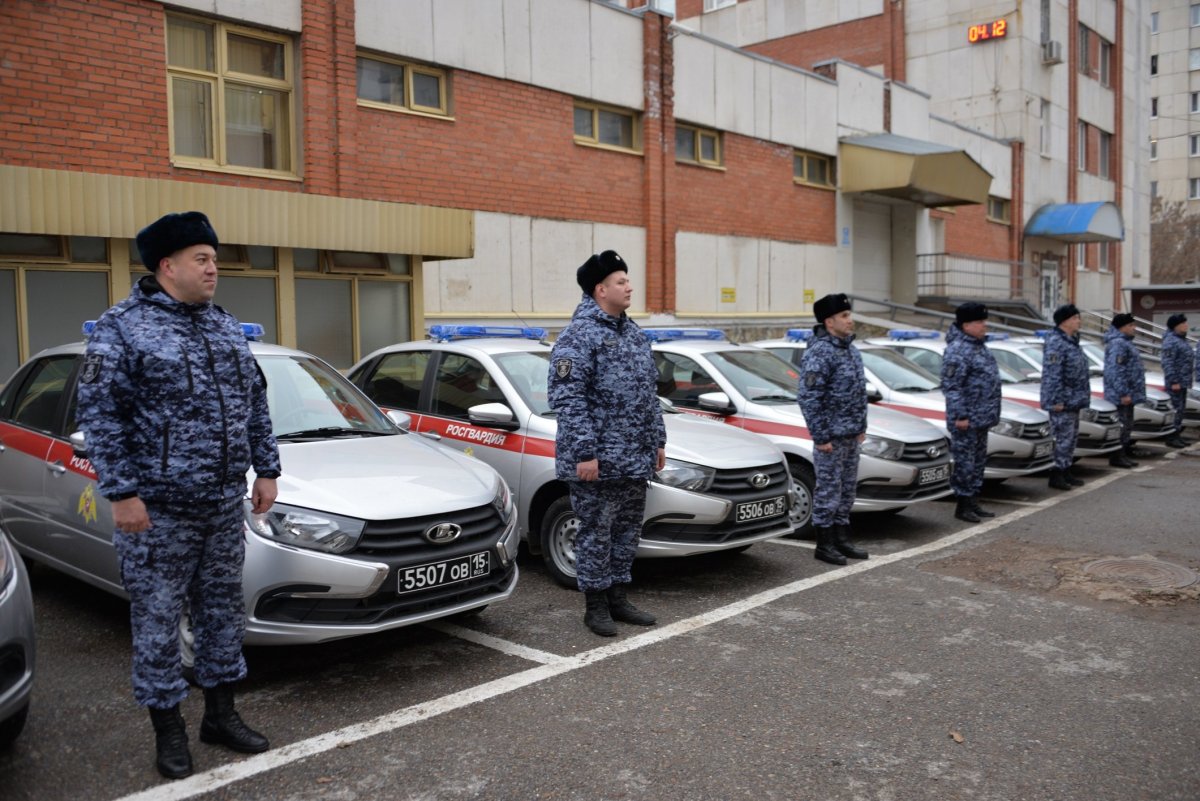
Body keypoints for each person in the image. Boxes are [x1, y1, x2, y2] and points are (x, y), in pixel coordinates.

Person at [76, 212, 281, 780]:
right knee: (158, 621)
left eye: (214, 259)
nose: (214, 268)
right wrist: (122, 494)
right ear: (167, 265)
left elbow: (254, 402)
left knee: (222, 613)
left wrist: (267, 469)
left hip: (221, 504)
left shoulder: (224, 325)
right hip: (157, 511)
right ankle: (168, 729)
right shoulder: (122, 328)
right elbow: (101, 417)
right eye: (202, 259)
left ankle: (220, 715)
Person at [547, 250, 666, 637]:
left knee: (627, 532)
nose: (629, 287)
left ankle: (618, 598)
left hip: (634, 458)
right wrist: (585, 453)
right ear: (600, 289)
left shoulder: (633, 334)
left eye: (627, 280)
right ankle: (595, 606)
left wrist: (658, 440)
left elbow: (649, 395)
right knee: (596, 534)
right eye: (621, 281)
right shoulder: (578, 336)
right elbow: (568, 400)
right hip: (597, 462)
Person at [797, 293, 869, 565]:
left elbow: (858, 393)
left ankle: (842, 538)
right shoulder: (820, 352)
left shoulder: (850, 350)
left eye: (849, 315)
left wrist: (861, 426)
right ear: (829, 321)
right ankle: (824, 544)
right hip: (830, 438)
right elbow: (809, 397)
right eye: (844, 316)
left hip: (850, 435)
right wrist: (821, 436)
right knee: (828, 490)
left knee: (847, 490)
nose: (850, 320)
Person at [940, 302, 1002, 522]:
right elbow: (952, 386)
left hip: (981, 417)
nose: (984, 325)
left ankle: (973, 501)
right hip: (966, 419)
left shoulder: (979, 346)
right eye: (980, 321)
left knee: (977, 462)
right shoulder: (958, 349)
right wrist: (961, 415)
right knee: (965, 463)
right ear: (966, 325)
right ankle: (963, 505)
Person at [1040, 303, 1091, 490]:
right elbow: (1053, 374)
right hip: (1062, 401)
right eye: (1075, 318)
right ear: (1064, 321)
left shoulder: (1071, 341)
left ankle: (1066, 469)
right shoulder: (1056, 342)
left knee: (1070, 438)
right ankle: (1057, 474)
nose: (1079, 321)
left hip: (1073, 399)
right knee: (1062, 438)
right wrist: (1056, 400)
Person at [1102, 313, 1146, 468]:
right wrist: (1123, 393)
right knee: (1122, 425)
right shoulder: (1118, 343)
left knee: (1127, 424)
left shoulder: (1125, 342)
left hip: (1128, 393)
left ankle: (1123, 452)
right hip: (1121, 394)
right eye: (1130, 325)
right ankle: (1117, 455)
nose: (1134, 328)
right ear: (1121, 327)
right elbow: (1116, 370)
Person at [1159, 313, 1193, 449]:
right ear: (1175, 326)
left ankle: (1176, 434)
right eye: (1182, 323)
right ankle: (1171, 436)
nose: (1186, 325)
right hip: (1176, 383)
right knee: (1175, 409)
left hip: (1183, 381)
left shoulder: (1181, 340)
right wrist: (1174, 381)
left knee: (1180, 409)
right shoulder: (1171, 341)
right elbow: (1167, 363)